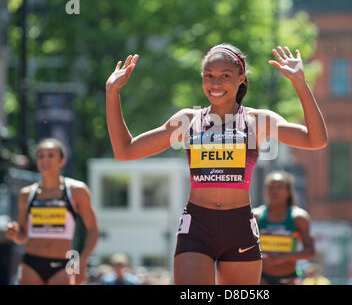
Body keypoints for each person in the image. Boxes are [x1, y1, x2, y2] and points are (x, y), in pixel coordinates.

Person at [105, 44, 327, 284]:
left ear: (241, 79)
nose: (215, 83)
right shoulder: (187, 121)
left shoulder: (258, 120)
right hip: (197, 227)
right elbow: (125, 151)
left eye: (225, 76)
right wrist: (111, 94)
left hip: (239, 226)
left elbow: (316, 140)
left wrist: (300, 84)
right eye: (209, 75)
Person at [5, 138, 100, 285]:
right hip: (31, 262)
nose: (45, 160)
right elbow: (23, 237)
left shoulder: (77, 190)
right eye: (41, 156)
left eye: (51, 155)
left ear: (62, 160)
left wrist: (82, 260)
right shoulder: (26, 194)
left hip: (67, 260)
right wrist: (15, 234)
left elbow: (93, 229)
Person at [253, 171, 315, 285]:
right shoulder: (256, 216)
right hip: (261, 278)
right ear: (266, 191)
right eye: (271, 187)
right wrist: (261, 256)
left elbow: (310, 252)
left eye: (279, 187)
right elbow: (243, 249)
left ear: (288, 192)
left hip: (289, 278)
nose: (274, 191)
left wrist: (284, 258)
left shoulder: (299, 218)